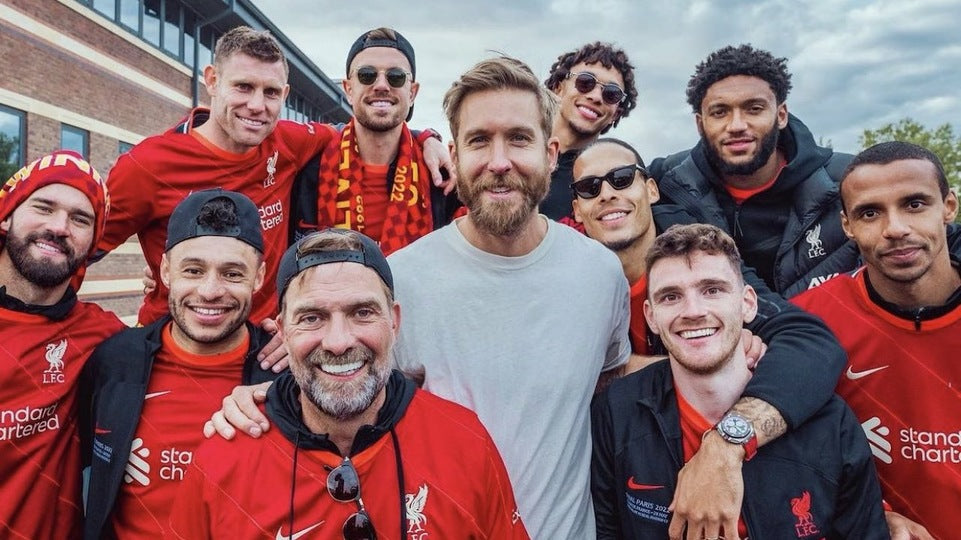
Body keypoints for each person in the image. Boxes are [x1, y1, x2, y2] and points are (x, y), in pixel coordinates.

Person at [387, 55, 631, 539]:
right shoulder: (399, 281)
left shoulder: (601, 274)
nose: (500, 162)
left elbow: (608, 380)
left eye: (519, 138)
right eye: (480, 140)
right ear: (454, 157)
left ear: (551, 153)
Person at [168, 229, 527, 539]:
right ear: (282, 332)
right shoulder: (222, 460)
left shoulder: (464, 442)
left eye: (362, 312)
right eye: (312, 317)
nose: (338, 342)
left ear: (395, 322)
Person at [98, 25, 452, 329]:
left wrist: (426, 138)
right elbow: (76, 249)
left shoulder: (289, 143)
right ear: (212, 80)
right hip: (176, 347)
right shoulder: (148, 164)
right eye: (242, 87)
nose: (256, 105)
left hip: (268, 349)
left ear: (284, 95)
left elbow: (366, 128)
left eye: (270, 92)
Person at [591, 223, 889, 539]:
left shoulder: (829, 422)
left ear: (748, 303)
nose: (693, 311)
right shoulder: (617, 412)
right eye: (671, 296)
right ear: (651, 316)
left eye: (712, 290)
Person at [81, 189, 282, 539]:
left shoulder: (284, 375)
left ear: (260, 276)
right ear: (165, 271)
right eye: (193, 270)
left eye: (233, 274)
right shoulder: (113, 361)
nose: (209, 291)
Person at [792, 141, 961, 540]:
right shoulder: (810, 319)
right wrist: (871, 514)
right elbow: (792, 453)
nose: (895, 228)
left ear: (948, 207)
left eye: (915, 204)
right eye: (870, 212)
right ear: (847, 225)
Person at [649, 44, 858, 297]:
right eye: (720, 112)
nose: (736, 125)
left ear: (781, 115)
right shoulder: (669, 180)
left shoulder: (849, 181)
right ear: (700, 123)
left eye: (754, 109)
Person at [0, 151, 124, 538]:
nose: (59, 227)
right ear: (7, 216)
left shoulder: (106, 337)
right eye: (43, 206)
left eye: (80, 218)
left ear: (93, 241)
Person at [291, 27, 459, 254]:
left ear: (412, 93)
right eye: (367, 75)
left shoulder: (441, 178)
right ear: (348, 89)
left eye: (396, 77)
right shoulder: (308, 167)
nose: (381, 85)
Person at [540, 42, 637, 226]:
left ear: (615, 113)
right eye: (585, 82)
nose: (596, 97)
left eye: (611, 94)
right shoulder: (511, 152)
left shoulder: (613, 184)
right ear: (559, 88)